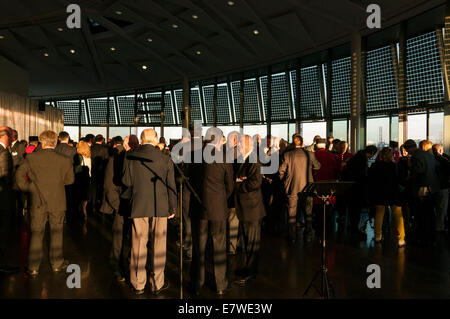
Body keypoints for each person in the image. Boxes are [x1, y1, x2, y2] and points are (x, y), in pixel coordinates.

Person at [122, 129, 177, 295]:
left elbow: (126, 181)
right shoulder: (166, 159)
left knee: (138, 245)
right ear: (155, 140)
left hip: (139, 206)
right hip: (161, 207)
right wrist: (172, 207)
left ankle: (138, 283)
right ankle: (156, 283)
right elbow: (171, 186)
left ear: (141, 139)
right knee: (159, 245)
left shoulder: (130, 157)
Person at [15, 130, 74, 276]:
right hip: (58, 201)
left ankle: (33, 267)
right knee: (56, 232)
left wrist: (30, 188)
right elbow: (70, 180)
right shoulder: (65, 160)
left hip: (37, 201)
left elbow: (19, 176)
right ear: (55, 142)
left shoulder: (31, 157)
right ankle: (56, 263)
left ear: (42, 142)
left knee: (36, 233)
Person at [191, 128, 234, 295]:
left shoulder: (194, 156)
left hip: (199, 208)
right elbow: (229, 186)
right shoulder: (224, 157)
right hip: (218, 207)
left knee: (198, 247)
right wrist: (220, 198)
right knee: (219, 246)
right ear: (219, 140)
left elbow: (191, 181)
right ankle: (220, 284)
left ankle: (197, 283)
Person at [101, 135, 139, 282]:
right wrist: (117, 205)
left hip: (133, 205)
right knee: (119, 239)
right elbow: (109, 186)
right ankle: (117, 265)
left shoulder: (134, 159)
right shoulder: (115, 160)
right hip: (122, 206)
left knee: (130, 238)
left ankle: (126, 266)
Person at [234, 135, 266, 285]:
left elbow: (255, 182)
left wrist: (237, 185)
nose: (238, 145)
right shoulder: (244, 159)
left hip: (251, 209)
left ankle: (251, 273)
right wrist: (240, 181)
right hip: (246, 208)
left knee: (252, 243)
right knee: (247, 241)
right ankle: (247, 268)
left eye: (240, 143)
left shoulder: (253, 160)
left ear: (248, 144)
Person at [279, 133, 321, 242]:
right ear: (302, 143)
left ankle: (292, 237)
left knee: (291, 213)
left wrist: (285, 181)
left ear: (293, 143)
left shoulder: (287, 155)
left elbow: (281, 171)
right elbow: (318, 166)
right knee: (308, 213)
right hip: (308, 188)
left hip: (292, 187)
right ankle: (308, 236)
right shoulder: (310, 154)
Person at [403, 139, 440, 245]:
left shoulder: (415, 157)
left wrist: (410, 168)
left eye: (407, 150)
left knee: (422, 214)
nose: (407, 152)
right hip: (433, 188)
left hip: (423, 188)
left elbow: (418, 172)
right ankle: (432, 237)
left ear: (410, 148)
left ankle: (424, 237)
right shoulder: (428, 154)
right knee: (430, 213)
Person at [368, 147, 406, 247]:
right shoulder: (394, 166)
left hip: (380, 193)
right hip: (393, 193)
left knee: (379, 214)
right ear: (391, 155)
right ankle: (401, 238)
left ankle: (377, 236)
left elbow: (371, 180)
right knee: (398, 214)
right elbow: (398, 179)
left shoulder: (375, 166)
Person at [343, 145, 378, 239]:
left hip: (351, 188)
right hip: (357, 188)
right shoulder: (362, 159)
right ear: (372, 153)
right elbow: (362, 175)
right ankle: (355, 229)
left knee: (352, 209)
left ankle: (353, 227)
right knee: (356, 209)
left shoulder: (357, 157)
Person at [0, 126, 18, 274]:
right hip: (2, 200)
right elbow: (6, 178)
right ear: (6, 137)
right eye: (12, 136)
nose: (13, 139)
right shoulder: (4, 153)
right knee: (3, 231)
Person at [431, 144, 449, 233]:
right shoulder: (445, 159)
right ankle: (441, 227)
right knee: (442, 208)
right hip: (444, 186)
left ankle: (439, 226)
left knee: (440, 207)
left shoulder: (433, 159)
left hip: (438, 186)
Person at [90, 134, 109, 214]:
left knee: (93, 188)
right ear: (102, 140)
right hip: (102, 172)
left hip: (92, 171)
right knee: (101, 188)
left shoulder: (91, 148)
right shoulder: (105, 149)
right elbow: (107, 161)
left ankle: (93, 205)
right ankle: (101, 204)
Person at [74, 141, 92, 219]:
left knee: (78, 194)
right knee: (85, 195)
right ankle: (84, 210)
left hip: (79, 177)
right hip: (87, 178)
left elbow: (76, 169)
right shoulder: (88, 157)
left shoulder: (78, 157)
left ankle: (79, 210)